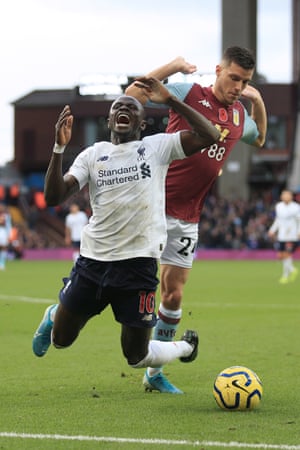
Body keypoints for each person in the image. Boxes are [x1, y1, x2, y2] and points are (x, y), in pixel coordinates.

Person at [32, 77, 221, 386]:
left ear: (142, 124)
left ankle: (186, 346)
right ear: (109, 120)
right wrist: (58, 147)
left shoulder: (157, 147)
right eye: (117, 107)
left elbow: (210, 134)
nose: (123, 108)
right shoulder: (93, 155)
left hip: (138, 266)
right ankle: (55, 314)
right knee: (60, 341)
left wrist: (171, 101)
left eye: (131, 108)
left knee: (135, 355)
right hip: (92, 263)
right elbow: (53, 197)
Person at [125, 46, 267, 393]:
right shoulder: (190, 93)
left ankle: (154, 374)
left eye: (244, 81)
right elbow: (133, 94)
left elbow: (260, 138)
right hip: (150, 206)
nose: (237, 86)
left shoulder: (237, 117)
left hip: (188, 217)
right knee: (118, 287)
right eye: (233, 77)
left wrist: (258, 101)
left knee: (173, 295)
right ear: (218, 70)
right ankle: (60, 313)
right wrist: (172, 65)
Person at [268, 189, 300, 284]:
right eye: (283, 195)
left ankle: (285, 276)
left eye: (287, 195)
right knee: (281, 256)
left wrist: (299, 231)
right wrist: (272, 230)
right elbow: (278, 220)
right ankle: (293, 270)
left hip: (292, 235)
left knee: (286, 254)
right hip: (281, 235)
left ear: (291, 196)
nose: (285, 196)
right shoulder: (279, 206)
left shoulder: (296, 207)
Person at [0, 203, 12, 270]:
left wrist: (9, 234)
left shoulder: (6, 216)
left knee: (4, 248)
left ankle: (2, 263)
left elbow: (9, 226)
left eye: (1, 207)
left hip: (3, 233)